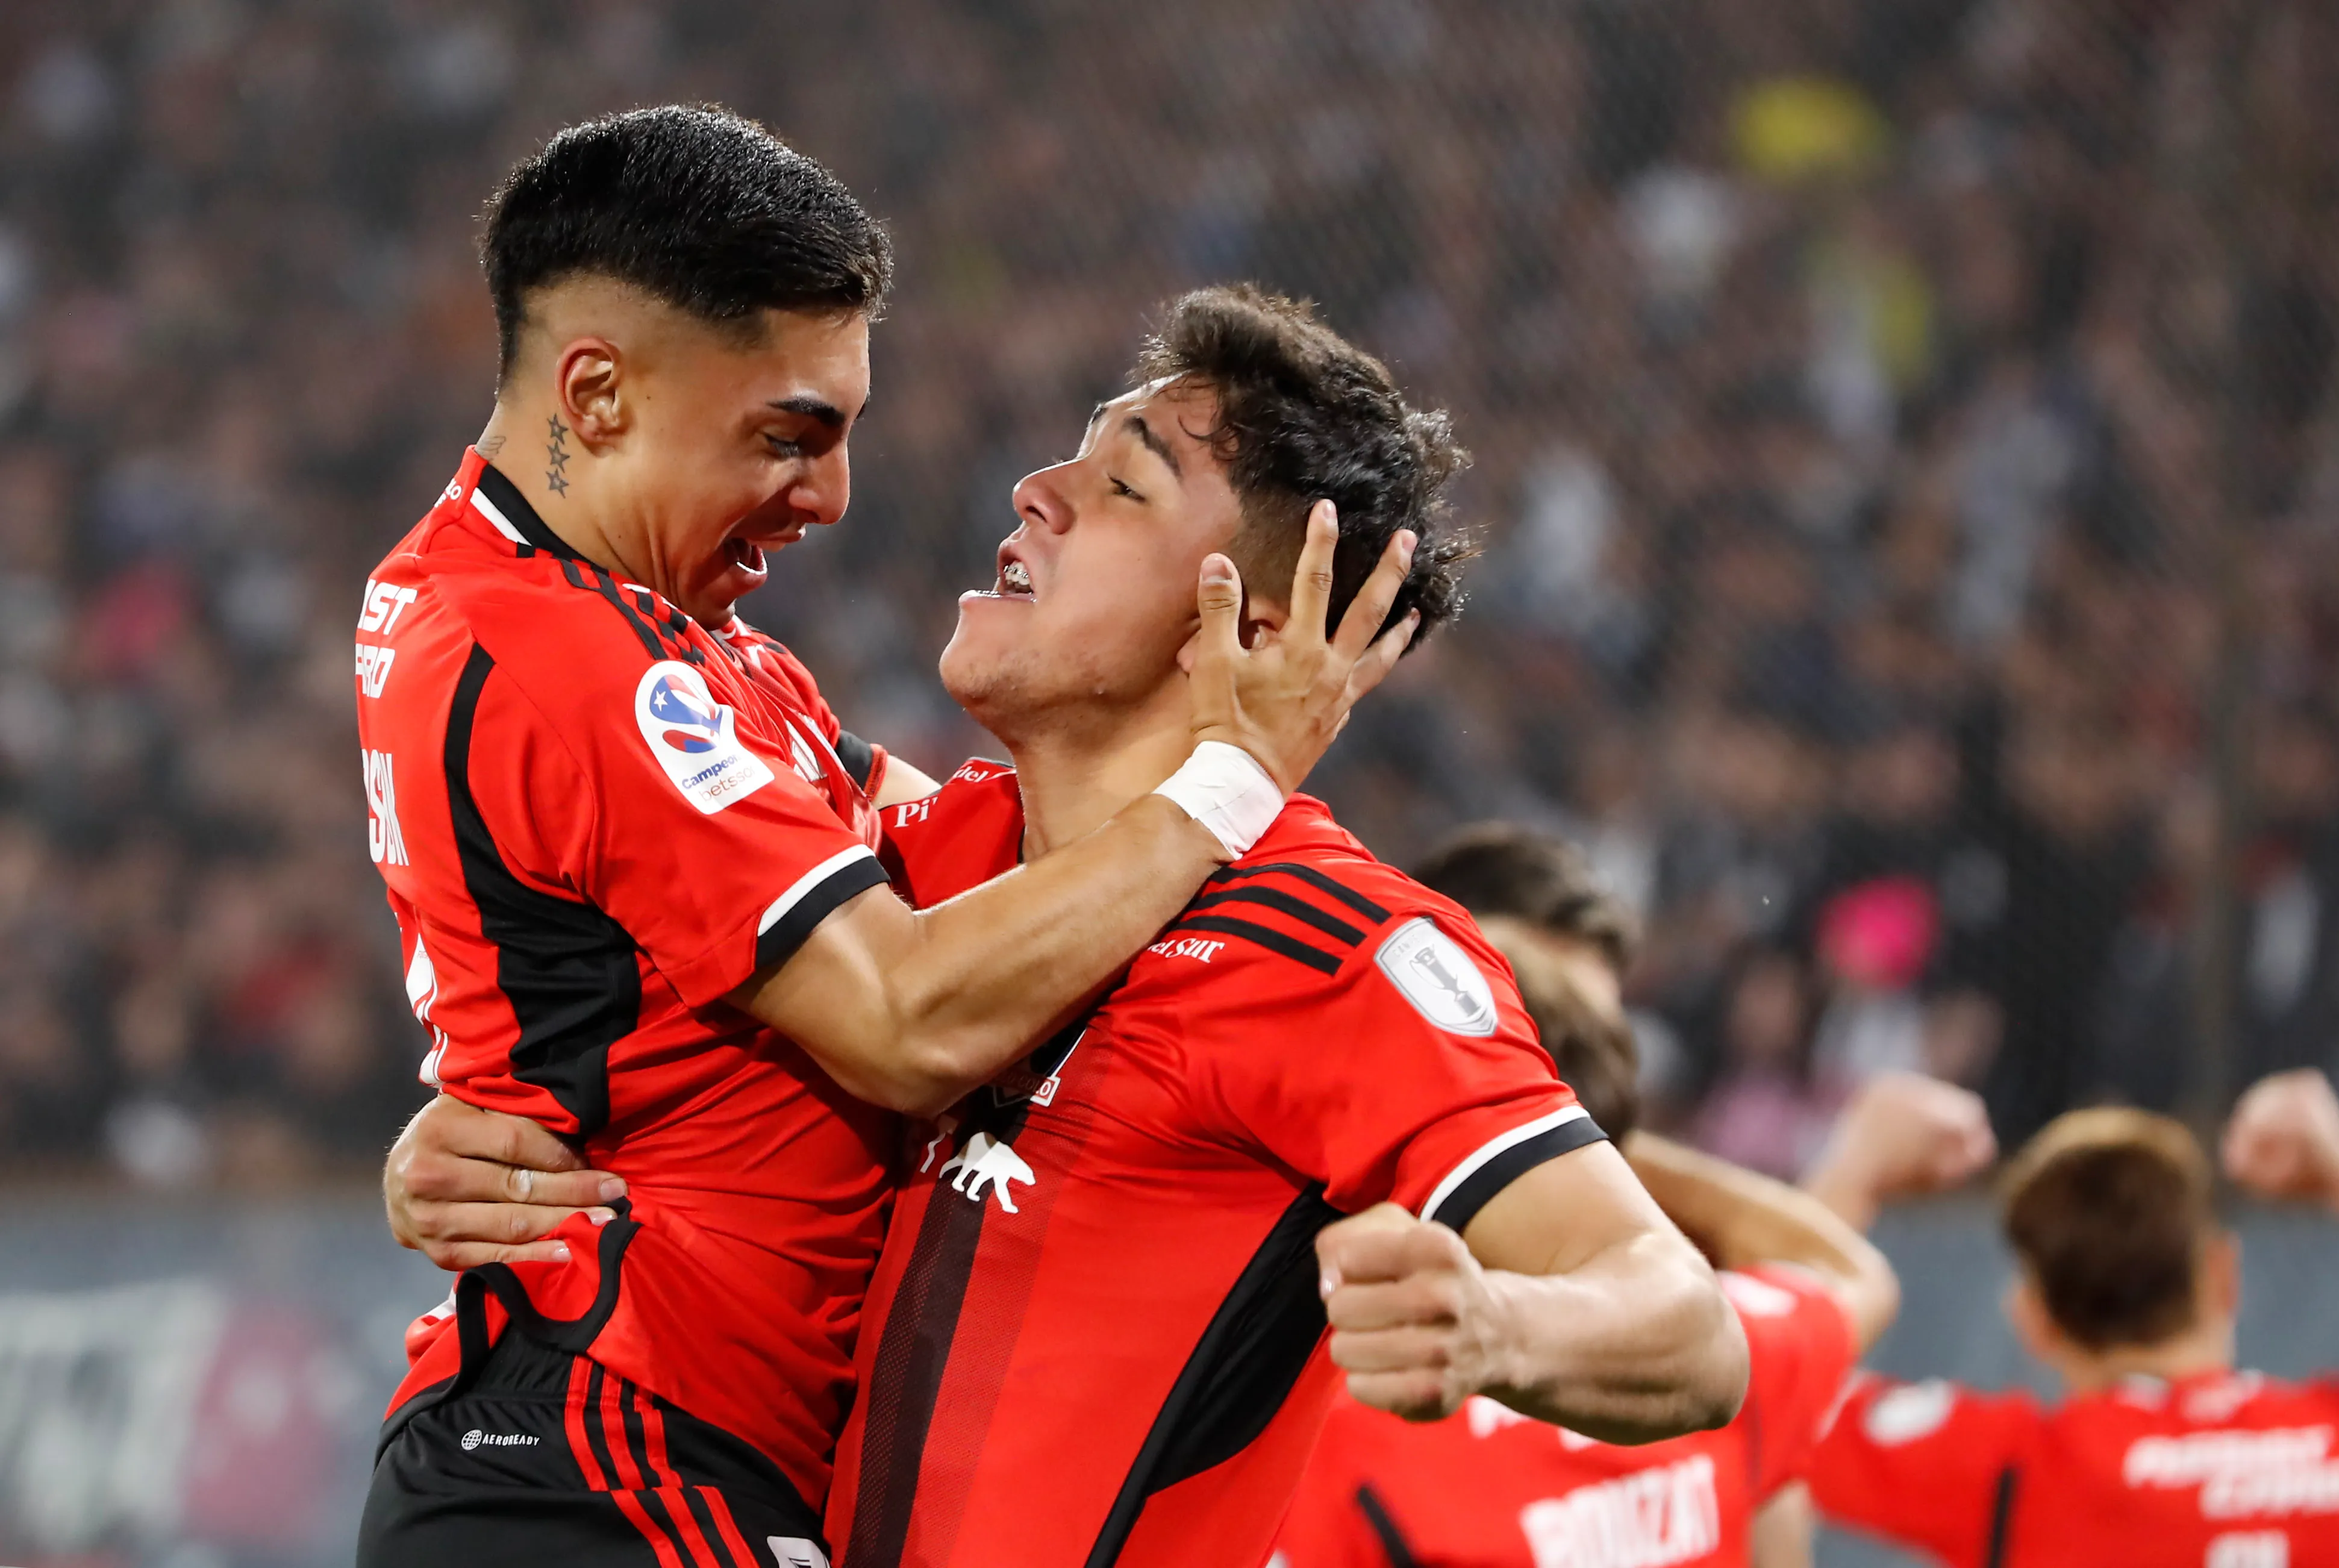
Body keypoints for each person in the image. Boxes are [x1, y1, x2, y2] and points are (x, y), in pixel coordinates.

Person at [384, 286, 1752, 1568]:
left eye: (1119, 482)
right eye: (1068, 457)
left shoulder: (1331, 945)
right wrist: (487, 1118)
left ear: (1254, 623)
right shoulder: (921, 865)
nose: (1037, 489)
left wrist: (1498, 1316)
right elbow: (644, 922)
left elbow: (1682, 1324)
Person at [354, 108, 1416, 1568]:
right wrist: (1236, 770)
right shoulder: (571, 658)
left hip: (638, 1451)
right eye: (786, 436)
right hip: (599, 1462)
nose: (828, 497)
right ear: (595, 394)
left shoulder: (680, 655)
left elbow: (990, 849)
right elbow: (904, 1011)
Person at [1274, 822, 1995, 1568]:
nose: (1532, 1069)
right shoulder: (1313, 1382)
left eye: (1558, 1047)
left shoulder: (1674, 1337)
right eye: (1501, 1030)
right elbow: (1838, 1274)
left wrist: (1545, 1139)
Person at [1804, 1069, 2339, 1566]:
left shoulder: (2013, 1475)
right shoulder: (2335, 1438)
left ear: (2033, 1320)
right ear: (2224, 1276)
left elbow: (1764, 1386)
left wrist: (1858, 1165)